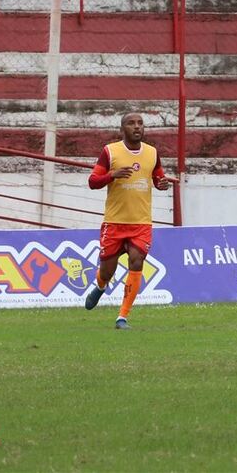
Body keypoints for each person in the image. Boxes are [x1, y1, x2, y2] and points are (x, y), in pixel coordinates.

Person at [84, 113, 174, 329]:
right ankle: (100, 285)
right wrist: (112, 175)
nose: (137, 127)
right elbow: (93, 182)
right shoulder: (110, 151)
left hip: (141, 223)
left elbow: (158, 178)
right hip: (114, 222)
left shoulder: (152, 153)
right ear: (122, 129)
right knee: (108, 271)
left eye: (140, 123)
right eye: (131, 123)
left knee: (136, 261)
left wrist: (162, 184)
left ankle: (122, 317)